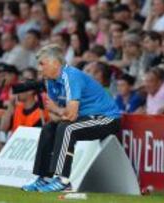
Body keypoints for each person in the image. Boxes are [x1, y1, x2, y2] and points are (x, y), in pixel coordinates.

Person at [22, 44, 120, 192]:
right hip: (85, 118)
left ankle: (63, 180)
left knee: (67, 127)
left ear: (55, 63)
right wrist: (58, 112)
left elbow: (69, 114)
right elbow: (55, 116)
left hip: (106, 119)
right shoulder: (50, 81)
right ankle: (44, 178)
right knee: (49, 128)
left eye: (42, 64)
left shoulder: (70, 76)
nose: (39, 68)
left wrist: (57, 110)